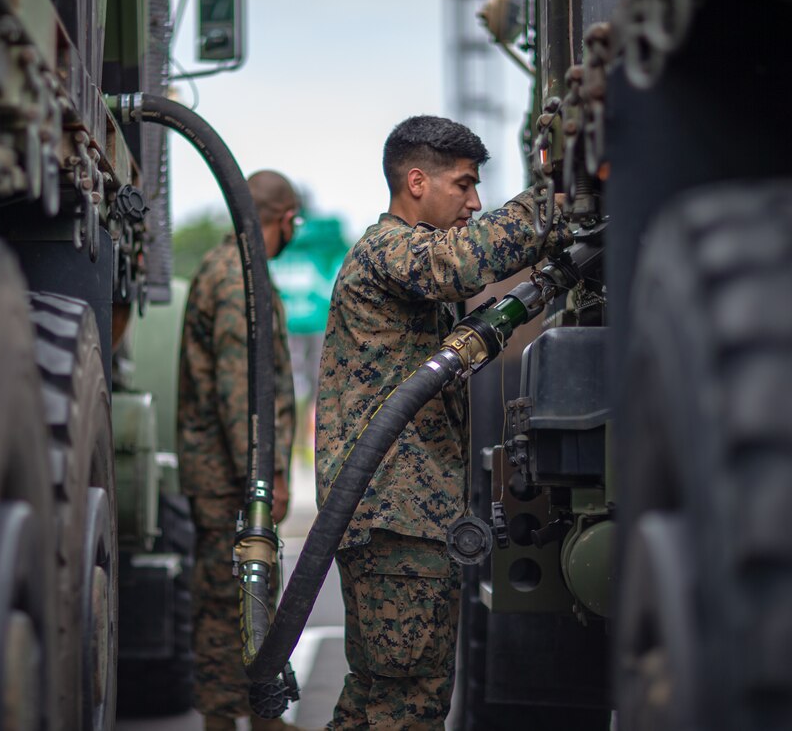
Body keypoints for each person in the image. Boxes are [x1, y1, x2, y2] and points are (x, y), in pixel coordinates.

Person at [314, 116, 572, 729]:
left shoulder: (406, 263)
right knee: (402, 703)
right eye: (464, 185)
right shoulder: (387, 249)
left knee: (394, 697)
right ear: (417, 181)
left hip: (406, 517)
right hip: (392, 517)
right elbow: (463, 260)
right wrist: (553, 198)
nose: (475, 202)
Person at [177, 170, 304, 731]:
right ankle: (234, 720)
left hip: (224, 475)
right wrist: (266, 477)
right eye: (293, 220)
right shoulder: (236, 281)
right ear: (280, 219)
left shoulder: (236, 272)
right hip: (230, 479)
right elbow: (240, 393)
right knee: (232, 606)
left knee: (239, 603)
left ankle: (253, 718)